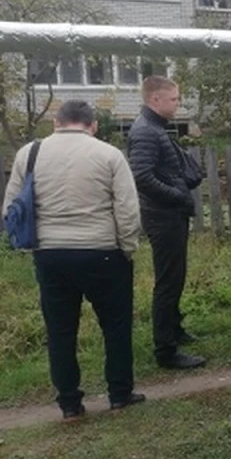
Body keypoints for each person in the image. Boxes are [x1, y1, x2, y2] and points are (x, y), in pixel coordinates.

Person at [3, 100, 144, 420]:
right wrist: (127, 248)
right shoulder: (109, 155)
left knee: (61, 331)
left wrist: (31, 245)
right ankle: (120, 394)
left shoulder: (30, 153)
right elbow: (127, 209)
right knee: (116, 327)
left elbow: (11, 206)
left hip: (50, 254)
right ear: (92, 125)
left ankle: (69, 403)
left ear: (56, 122)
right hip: (102, 251)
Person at [128, 76, 206, 370]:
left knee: (176, 276)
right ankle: (166, 350)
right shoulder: (146, 131)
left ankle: (174, 329)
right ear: (155, 100)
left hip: (170, 213)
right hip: (163, 216)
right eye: (174, 99)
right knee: (168, 282)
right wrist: (177, 196)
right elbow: (142, 177)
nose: (178, 104)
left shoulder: (155, 127)